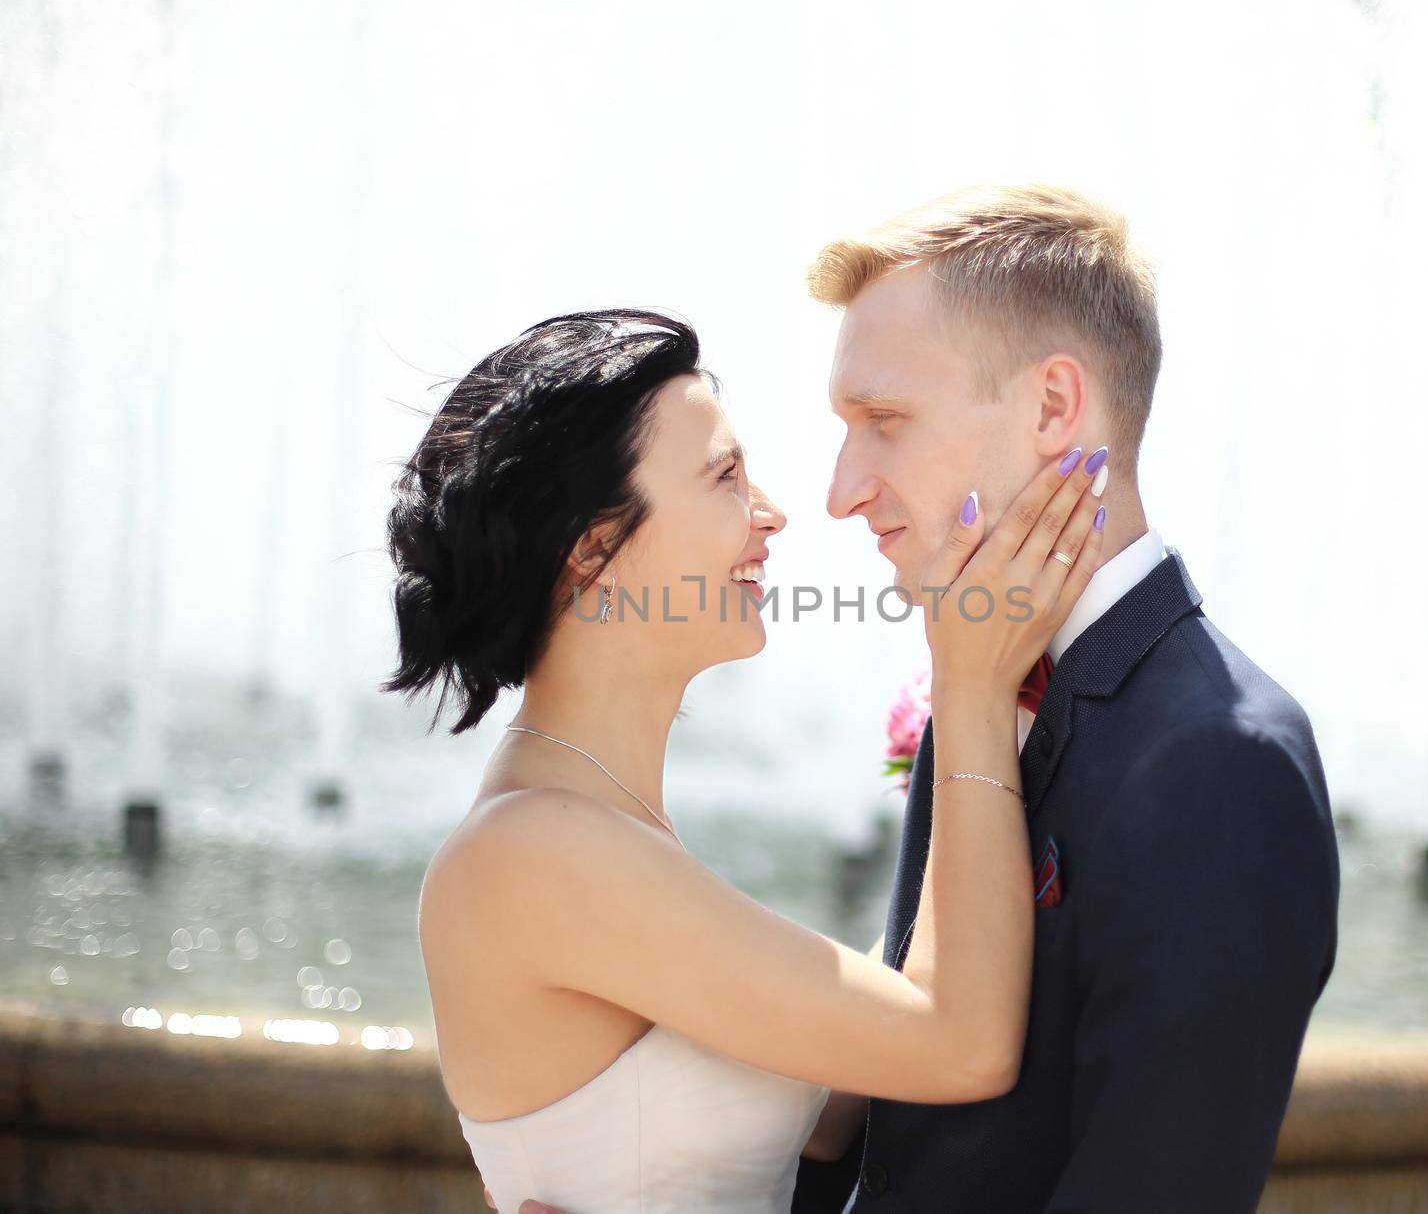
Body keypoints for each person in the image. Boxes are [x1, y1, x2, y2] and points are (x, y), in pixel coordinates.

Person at [383, 308, 1110, 1213]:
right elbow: (959, 1043)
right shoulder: (533, 851)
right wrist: (968, 692)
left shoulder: (598, 825)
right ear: (593, 550)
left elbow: (844, 1099)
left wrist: (1004, 704)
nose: (771, 513)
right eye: (726, 477)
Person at [788, 184, 1342, 1212]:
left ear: (1053, 407)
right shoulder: (975, 673)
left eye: (884, 421)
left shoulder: (1223, 762)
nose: (841, 488)